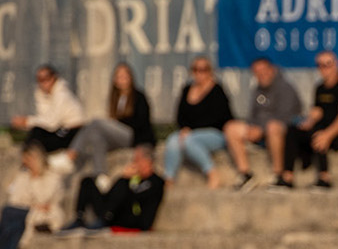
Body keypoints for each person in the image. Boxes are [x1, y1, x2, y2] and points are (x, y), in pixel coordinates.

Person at [50, 62, 154, 181]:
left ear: (130, 78)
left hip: (133, 136)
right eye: (119, 77)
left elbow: (141, 122)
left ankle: (70, 155)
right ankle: (101, 175)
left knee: (96, 122)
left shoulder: (138, 96)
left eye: (124, 76)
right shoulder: (115, 98)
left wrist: (117, 122)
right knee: (96, 137)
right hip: (119, 136)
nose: (122, 80)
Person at [283, 53, 338, 190]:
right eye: (320, 65)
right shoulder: (319, 88)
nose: (324, 68)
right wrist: (308, 122)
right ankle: (287, 178)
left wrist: (328, 134)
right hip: (323, 128)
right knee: (292, 130)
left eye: (327, 64)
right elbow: (317, 112)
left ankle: (324, 178)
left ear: (336, 65)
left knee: (320, 134)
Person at [223, 57, 301, 191]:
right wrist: (253, 128)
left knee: (273, 127)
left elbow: (285, 117)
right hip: (260, 130)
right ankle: (246, 175)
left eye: (263, 71)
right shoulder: (257, 89)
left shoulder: (285, 87)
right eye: (257, 72)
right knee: (231, 128)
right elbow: (252, 116)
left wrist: (262, 129)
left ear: (272, 70)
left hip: (282, 132)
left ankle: (278, 176)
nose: (261, 75)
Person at [58, 145, 164, 238]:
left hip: (135, 220)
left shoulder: (156, 181)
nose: (134, 163)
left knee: (122, 185)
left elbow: (137, 198)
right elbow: (112, 195)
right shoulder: (134, 178)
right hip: (113, 212)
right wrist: (123, 178)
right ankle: (79, 218)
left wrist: (124, 179)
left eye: (137, 160)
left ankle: (104, 219)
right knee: (87, 182)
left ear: (147, 161)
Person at [163, 57, 233, 187]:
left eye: (203, 70)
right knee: (173, 140)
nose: (199, 73)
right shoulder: (187, 89)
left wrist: (192, 129)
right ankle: (169, 179)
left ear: (210, 71)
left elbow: (220, 118)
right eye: (196, 69)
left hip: (214, 134)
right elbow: (180, 115)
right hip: (190, 132)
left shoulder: (217, 90)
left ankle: (211, 172)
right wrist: (184, 127)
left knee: (189, 140)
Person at [0, 143, 65, 249]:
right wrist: (33, 205)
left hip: (47, 214)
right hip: (26, 212)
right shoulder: (23, 176)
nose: (25, 162)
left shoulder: (52, 176)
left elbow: (45, 198)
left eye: (28, 159)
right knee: (14, 224)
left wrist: (34, 180)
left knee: (8, 214)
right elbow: (15, 199)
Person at [10, 64, 85, 153]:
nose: (43, 83)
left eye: (46, 78)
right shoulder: (44, 94)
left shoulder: (61, 95)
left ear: (53, 78)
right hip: (60, 130)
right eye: (39, 79)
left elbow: (51, 123)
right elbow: (44, 117)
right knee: (36, 134)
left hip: (72, 133)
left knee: (37, 136)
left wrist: (27, 121)